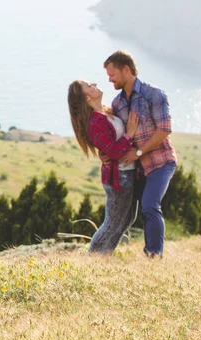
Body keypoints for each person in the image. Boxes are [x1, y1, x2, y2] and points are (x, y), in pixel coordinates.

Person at [103, 50, 177, 257]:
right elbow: (118, 134)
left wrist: (139, 151)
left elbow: (164, 129)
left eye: (112, 74)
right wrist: (105, 154)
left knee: (150, 205)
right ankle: (103, 255)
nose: (109, 79)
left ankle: (153, 255)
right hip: (137, 168)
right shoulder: (118, 103)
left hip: (161, 162)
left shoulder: (154, 94)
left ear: (126, 69)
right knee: (132, 213)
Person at [68, 80, 139, 254]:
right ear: (86, 97)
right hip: (118, 178)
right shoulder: (94, 122)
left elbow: (109, 147)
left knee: (128, 219)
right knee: (112, 223)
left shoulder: (107, 111)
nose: (94, 84)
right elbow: (114, 152)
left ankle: (104, 257)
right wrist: (129, 133)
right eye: (89, 85)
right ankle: (93, 260)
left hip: (128, 173)